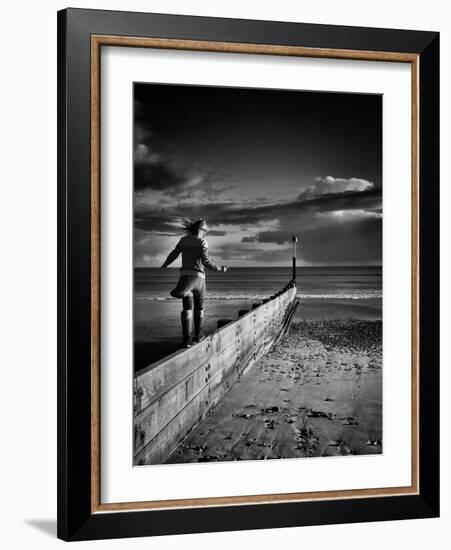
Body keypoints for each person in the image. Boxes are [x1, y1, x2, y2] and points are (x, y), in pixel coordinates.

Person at [161, 219, 228, 347]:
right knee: (199, 308)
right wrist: (220, 269)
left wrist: (165, 264)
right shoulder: (202, 242)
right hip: (199, 279)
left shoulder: (183, 241)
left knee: (187, 308)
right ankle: (198, 336)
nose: (205, 233)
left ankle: (186, 341)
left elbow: (173, 254)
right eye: (205, 230)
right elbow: (206, 262)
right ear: (200, 230)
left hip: (185, 278)